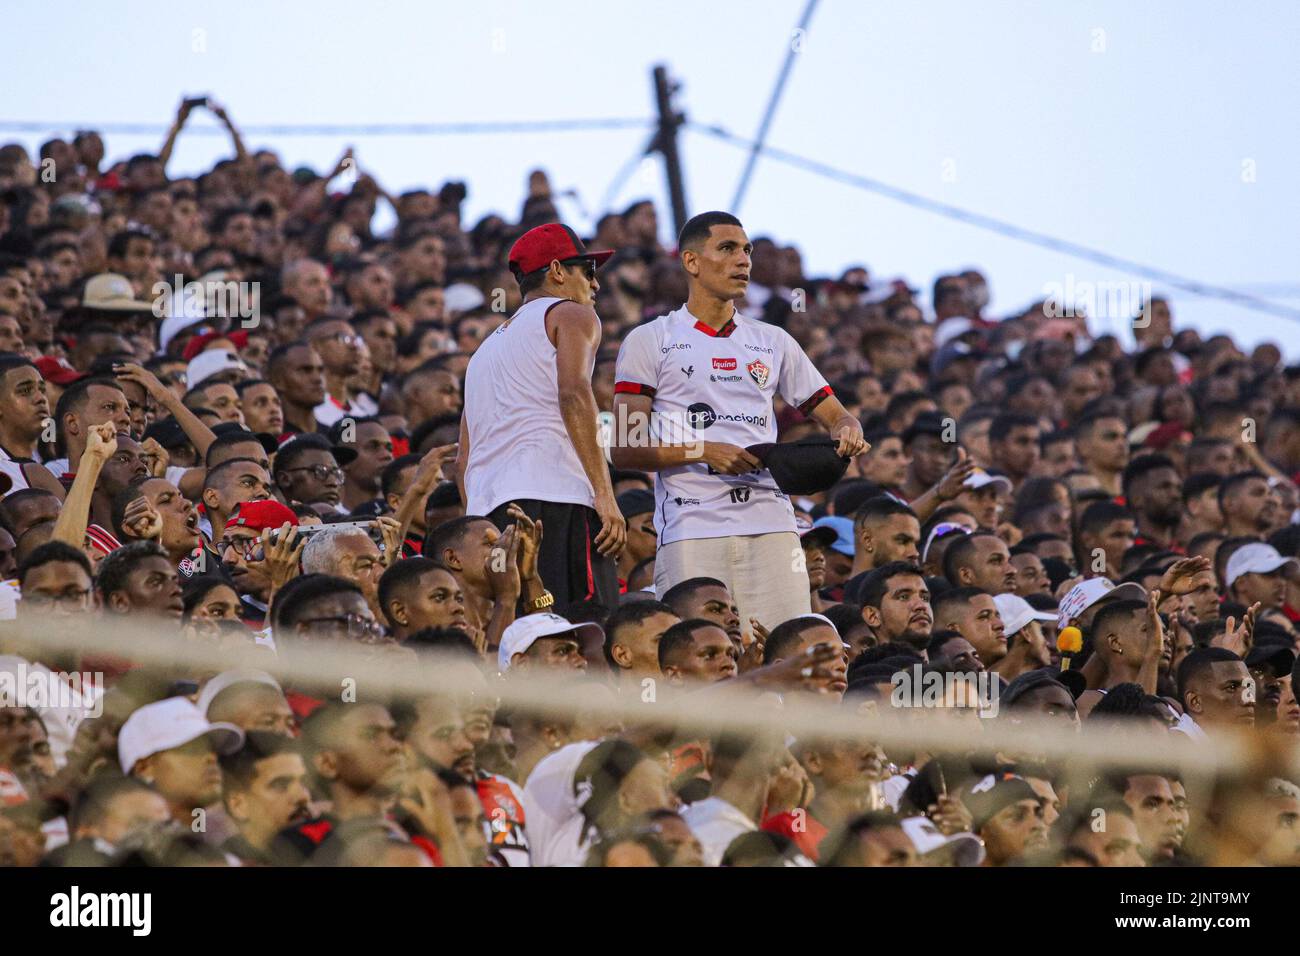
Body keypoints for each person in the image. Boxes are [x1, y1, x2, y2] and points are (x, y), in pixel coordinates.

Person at [612, 211, 864, 634]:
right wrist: (705, 451)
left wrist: (846, 430)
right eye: (727, 249)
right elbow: (622, 446)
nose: (743, 260)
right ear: (691, 262)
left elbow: (836, 413)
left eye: (747, 250)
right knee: (700, 658)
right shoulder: (651, 338)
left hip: (773, 525)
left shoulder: (773, 340)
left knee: (787, 653)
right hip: (692, 526)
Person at [459, 222, 625, 611]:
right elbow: (574, 393)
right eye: (588, 272)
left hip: (490, 515)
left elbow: (463, 461)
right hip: (558, 501)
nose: (596, 285)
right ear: (556, 271)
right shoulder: (570, 314)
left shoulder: (482, 352)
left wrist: (480, 526)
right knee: (584, 633)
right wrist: (604, 493)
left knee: (525, 641)